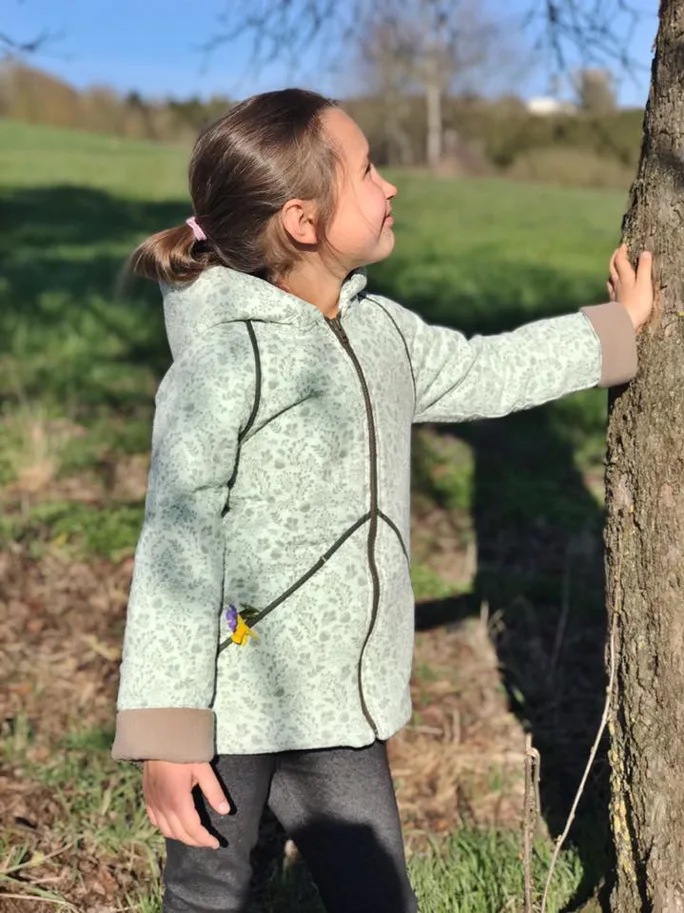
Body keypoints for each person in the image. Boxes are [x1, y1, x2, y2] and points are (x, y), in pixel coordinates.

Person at [111, 88, 653, 913]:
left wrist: (614, 329)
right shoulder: (226, 358)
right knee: (209, 894)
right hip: (229, 707)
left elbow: (485, 370)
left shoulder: (382, 331)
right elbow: (175, 542)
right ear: (303, 222)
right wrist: (166, 733)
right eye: (367, 171)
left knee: (378, 897)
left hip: (338, 706)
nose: (390, 184)